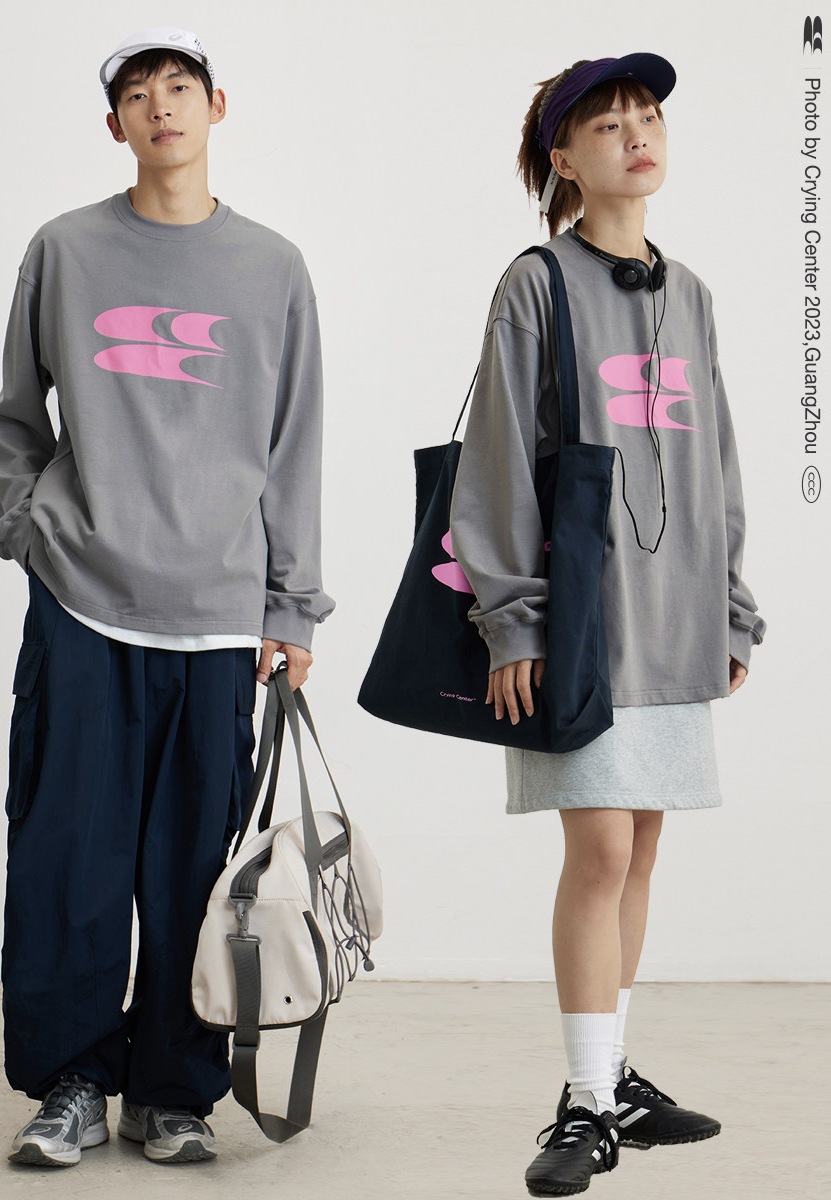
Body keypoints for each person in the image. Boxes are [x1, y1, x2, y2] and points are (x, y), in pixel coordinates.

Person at [0, 27, 333, 1167]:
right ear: (115, 125)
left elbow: (294, 447)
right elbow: (16, 415)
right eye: (138, 94)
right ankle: (73, 1082)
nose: (161, 106)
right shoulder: (65, 249)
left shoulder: (272, 268)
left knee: (197, 869)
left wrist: (292, 606)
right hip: (83, 598)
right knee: (67, 856)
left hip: (219, 614)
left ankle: (175, 1092)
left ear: (217, 106)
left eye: (180, 87)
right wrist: (29, 529)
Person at [449, 54, 765, 1197]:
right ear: (564, 161)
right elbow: (495, 459)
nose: (637, 135)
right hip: (582, 623)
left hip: (676, 622)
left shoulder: (692, 295)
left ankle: (614, 1073)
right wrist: (513, 624)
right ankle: (585, 1102)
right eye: (607, 124)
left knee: (644, 846)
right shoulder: (537, 284)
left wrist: (732, 606)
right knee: (602, 853)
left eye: (649, 117)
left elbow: (715, 459)